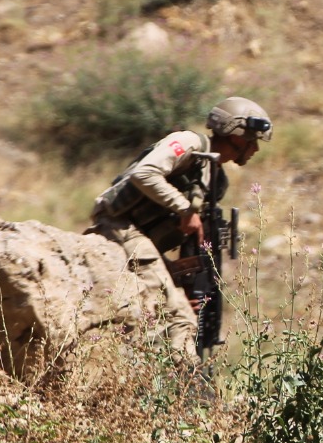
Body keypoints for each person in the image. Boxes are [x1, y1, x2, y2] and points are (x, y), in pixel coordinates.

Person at [87, 97, 271, 360]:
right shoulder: (189, 143)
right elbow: (144, 173)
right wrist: (185, 209)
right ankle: (175, 378)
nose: (255, 149)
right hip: (118, 225)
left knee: (181, 304)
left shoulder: (214, 177)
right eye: (252, 141)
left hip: (141, 239)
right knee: (176, 315)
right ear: (237, 136)